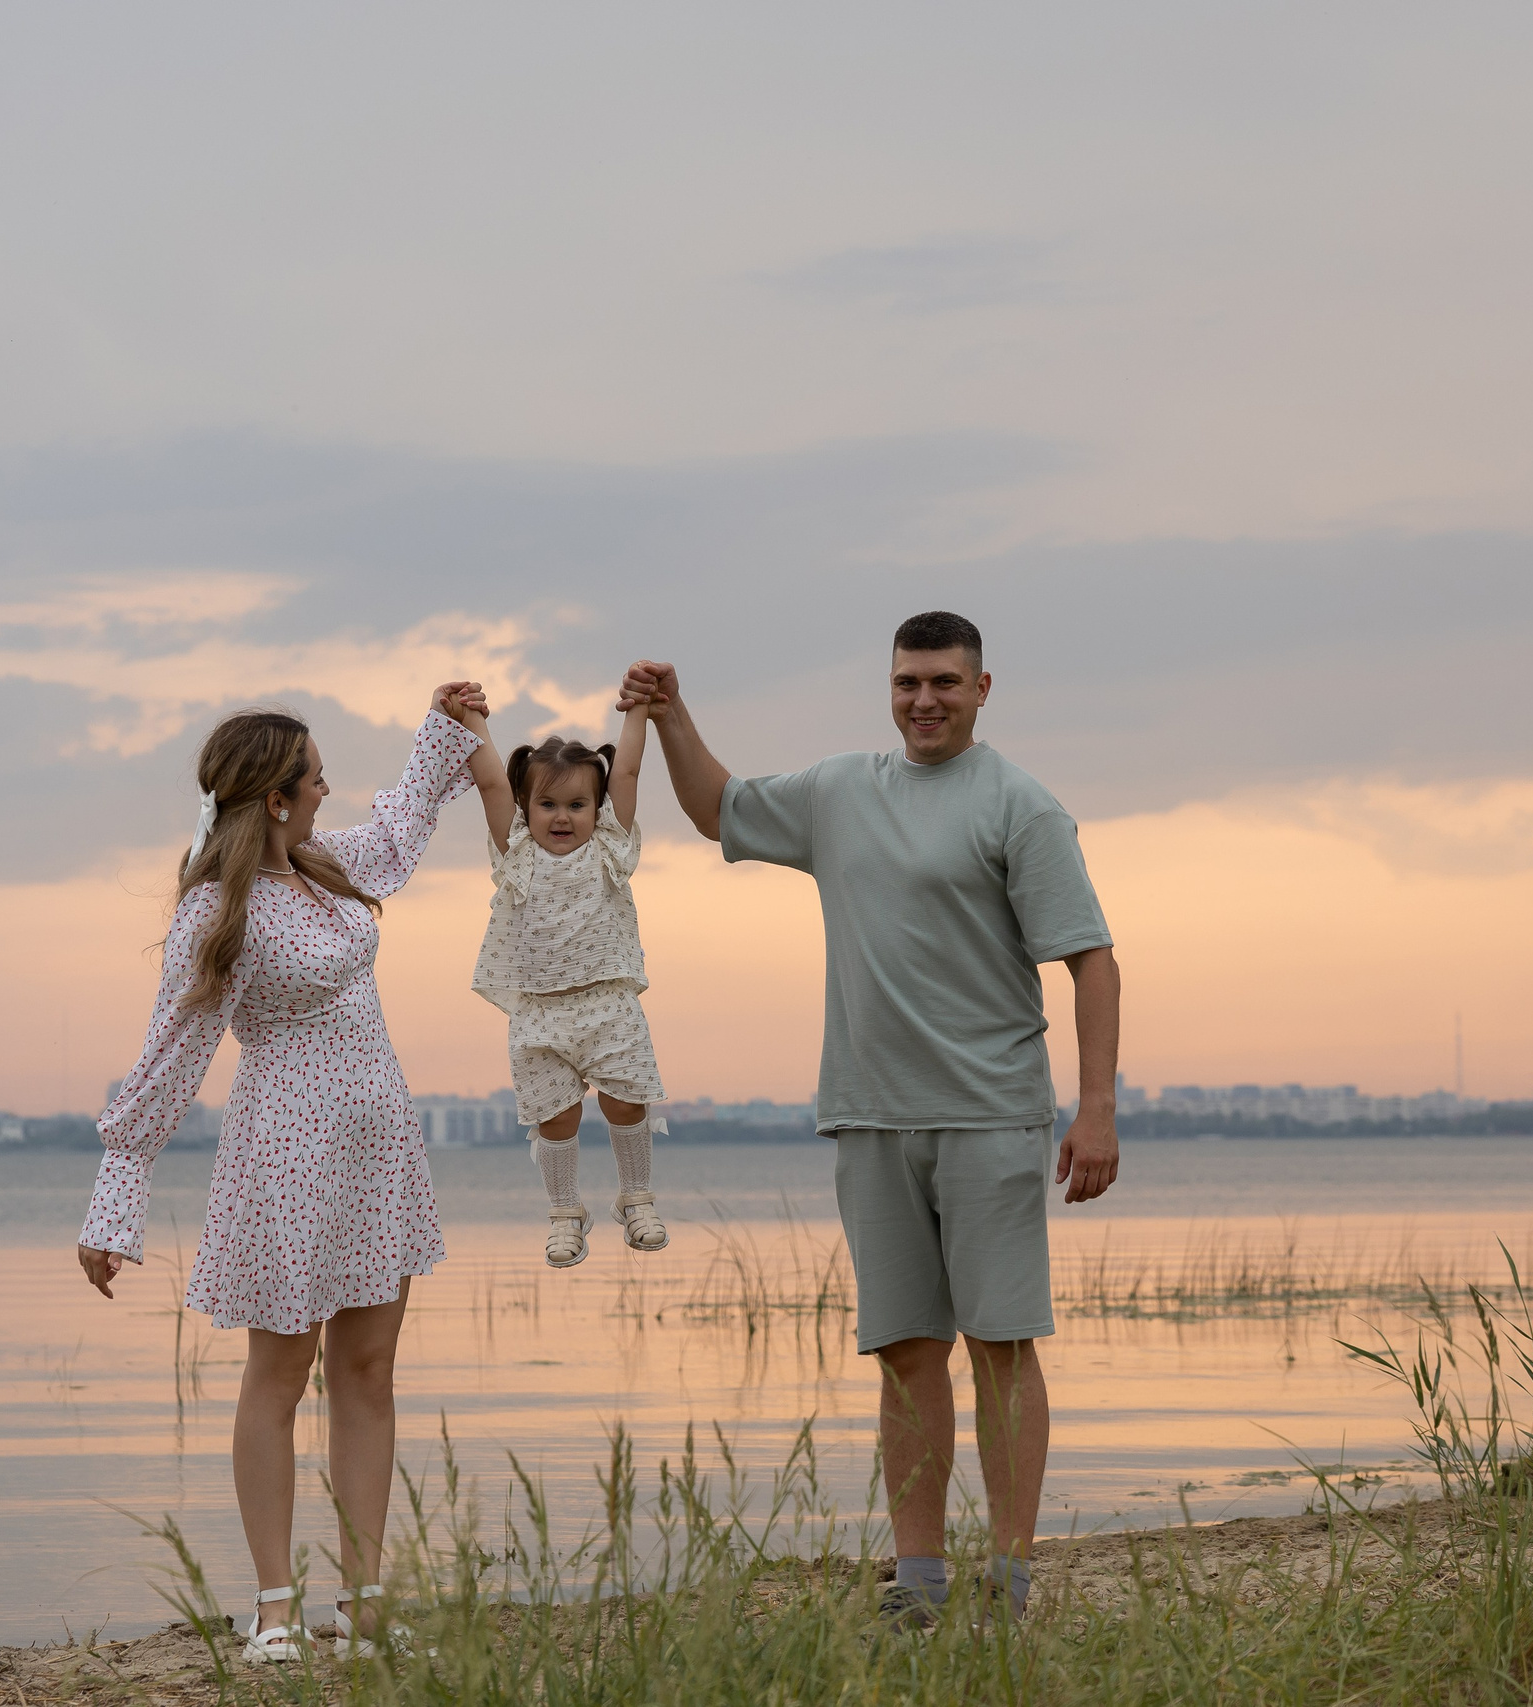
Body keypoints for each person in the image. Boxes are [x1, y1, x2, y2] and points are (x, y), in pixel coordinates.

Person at [622, 611, 1121, 1632]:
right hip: (869, 1114)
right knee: (903, 1348)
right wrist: (671, 715)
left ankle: (1012, 1579)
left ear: (982, 690)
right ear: (888, 690)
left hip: (989, 1113)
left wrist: (1097, 1108)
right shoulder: (840, 793)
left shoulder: (1021, 806)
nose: (923, 700)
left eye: (943, 682)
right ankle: (920, 1576)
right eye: (906, 683)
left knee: (1000, 1344)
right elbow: (717, 811)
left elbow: (1092, 958)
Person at [74, 685, 489, 1664]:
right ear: (274, 797)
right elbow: (172, 1047)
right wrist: (116, 1191)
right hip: (288, 1147)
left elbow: (394, 827)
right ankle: (272, 1610)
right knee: (278, 1373)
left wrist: (444, 727)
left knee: (370, 1371)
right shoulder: (218, 912)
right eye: (313, 775)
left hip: (376, 1142)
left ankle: (369, 1604)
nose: (328, 785)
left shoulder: (325, 865)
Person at [445, 694, 670, 1267]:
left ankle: (636, 1198)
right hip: (540, 1014)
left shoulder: (609, 853)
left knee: (626, 1103)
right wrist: (472, 719)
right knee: (556, 1119)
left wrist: (638, 710)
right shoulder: (516, 856)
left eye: (577, 804)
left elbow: (629, 769)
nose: (563, 816)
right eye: (547, 804)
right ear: (528, 809)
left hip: (608, 1003)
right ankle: (566, 1213)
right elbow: (493, 785)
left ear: (599, 812)